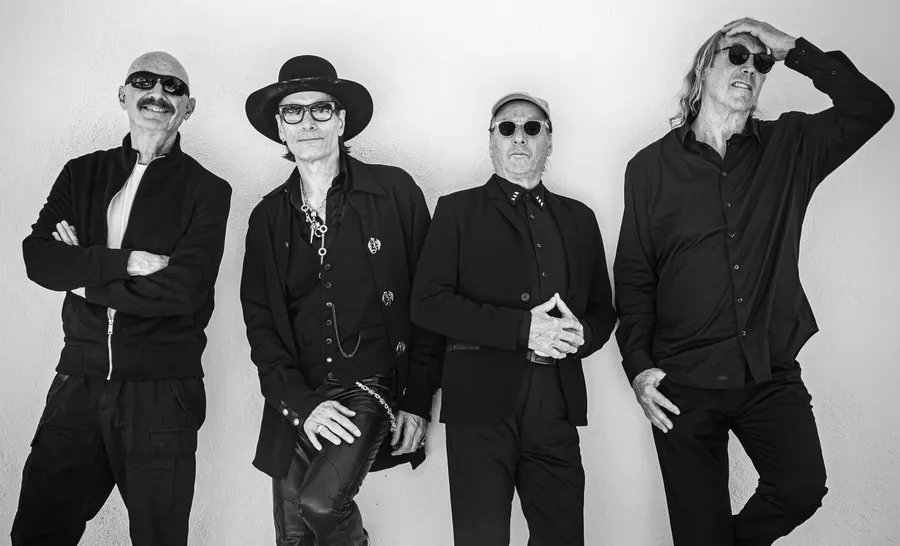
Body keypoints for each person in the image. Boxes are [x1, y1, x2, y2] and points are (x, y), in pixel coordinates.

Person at [614, 18, 894, 545]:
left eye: (762, 62)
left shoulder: (791, 145)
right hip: (682, 381)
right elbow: (634, 276)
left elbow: (872, 107)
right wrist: (639, 367)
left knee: (800, 488)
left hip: (768, 370)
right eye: (737, 55)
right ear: (704, 68)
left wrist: (794, 49)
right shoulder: (648, 168)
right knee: (697, 532)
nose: (750, 67)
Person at [12, 51, 232, 546]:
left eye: (173, 87)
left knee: (159, 538)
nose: (158, 94)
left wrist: (81, 272)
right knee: (37, 532)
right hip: (78, 382)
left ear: (188, 107)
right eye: (144, 81)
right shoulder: (81, 173)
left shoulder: (208, 190)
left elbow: (182, 292)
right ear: (123, 95)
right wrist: (126, 262)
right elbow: (39, 259)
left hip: (162, 392)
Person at [241, 55, 442, 545]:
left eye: (321, 109)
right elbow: (262, 326)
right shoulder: (267, 217)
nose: (307, 122)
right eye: (293, 112)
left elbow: (429, 302)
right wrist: (303, 405)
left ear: (341, 120)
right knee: (293, 537)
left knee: (320, 503)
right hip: (297, 394)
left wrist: (418, 400)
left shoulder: (393, 191)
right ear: (280, 128)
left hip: (367, 385)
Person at [411, 92, 617, 545]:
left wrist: (581, 335)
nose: (519, 137)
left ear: (549, 141)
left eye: (531, 127)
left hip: (555, 403)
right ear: (491, 142)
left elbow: (603, 310)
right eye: (507, 127)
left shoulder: (580, 218)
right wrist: (524, 329)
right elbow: (428, 303)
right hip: (479, 407)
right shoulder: (456, 210)